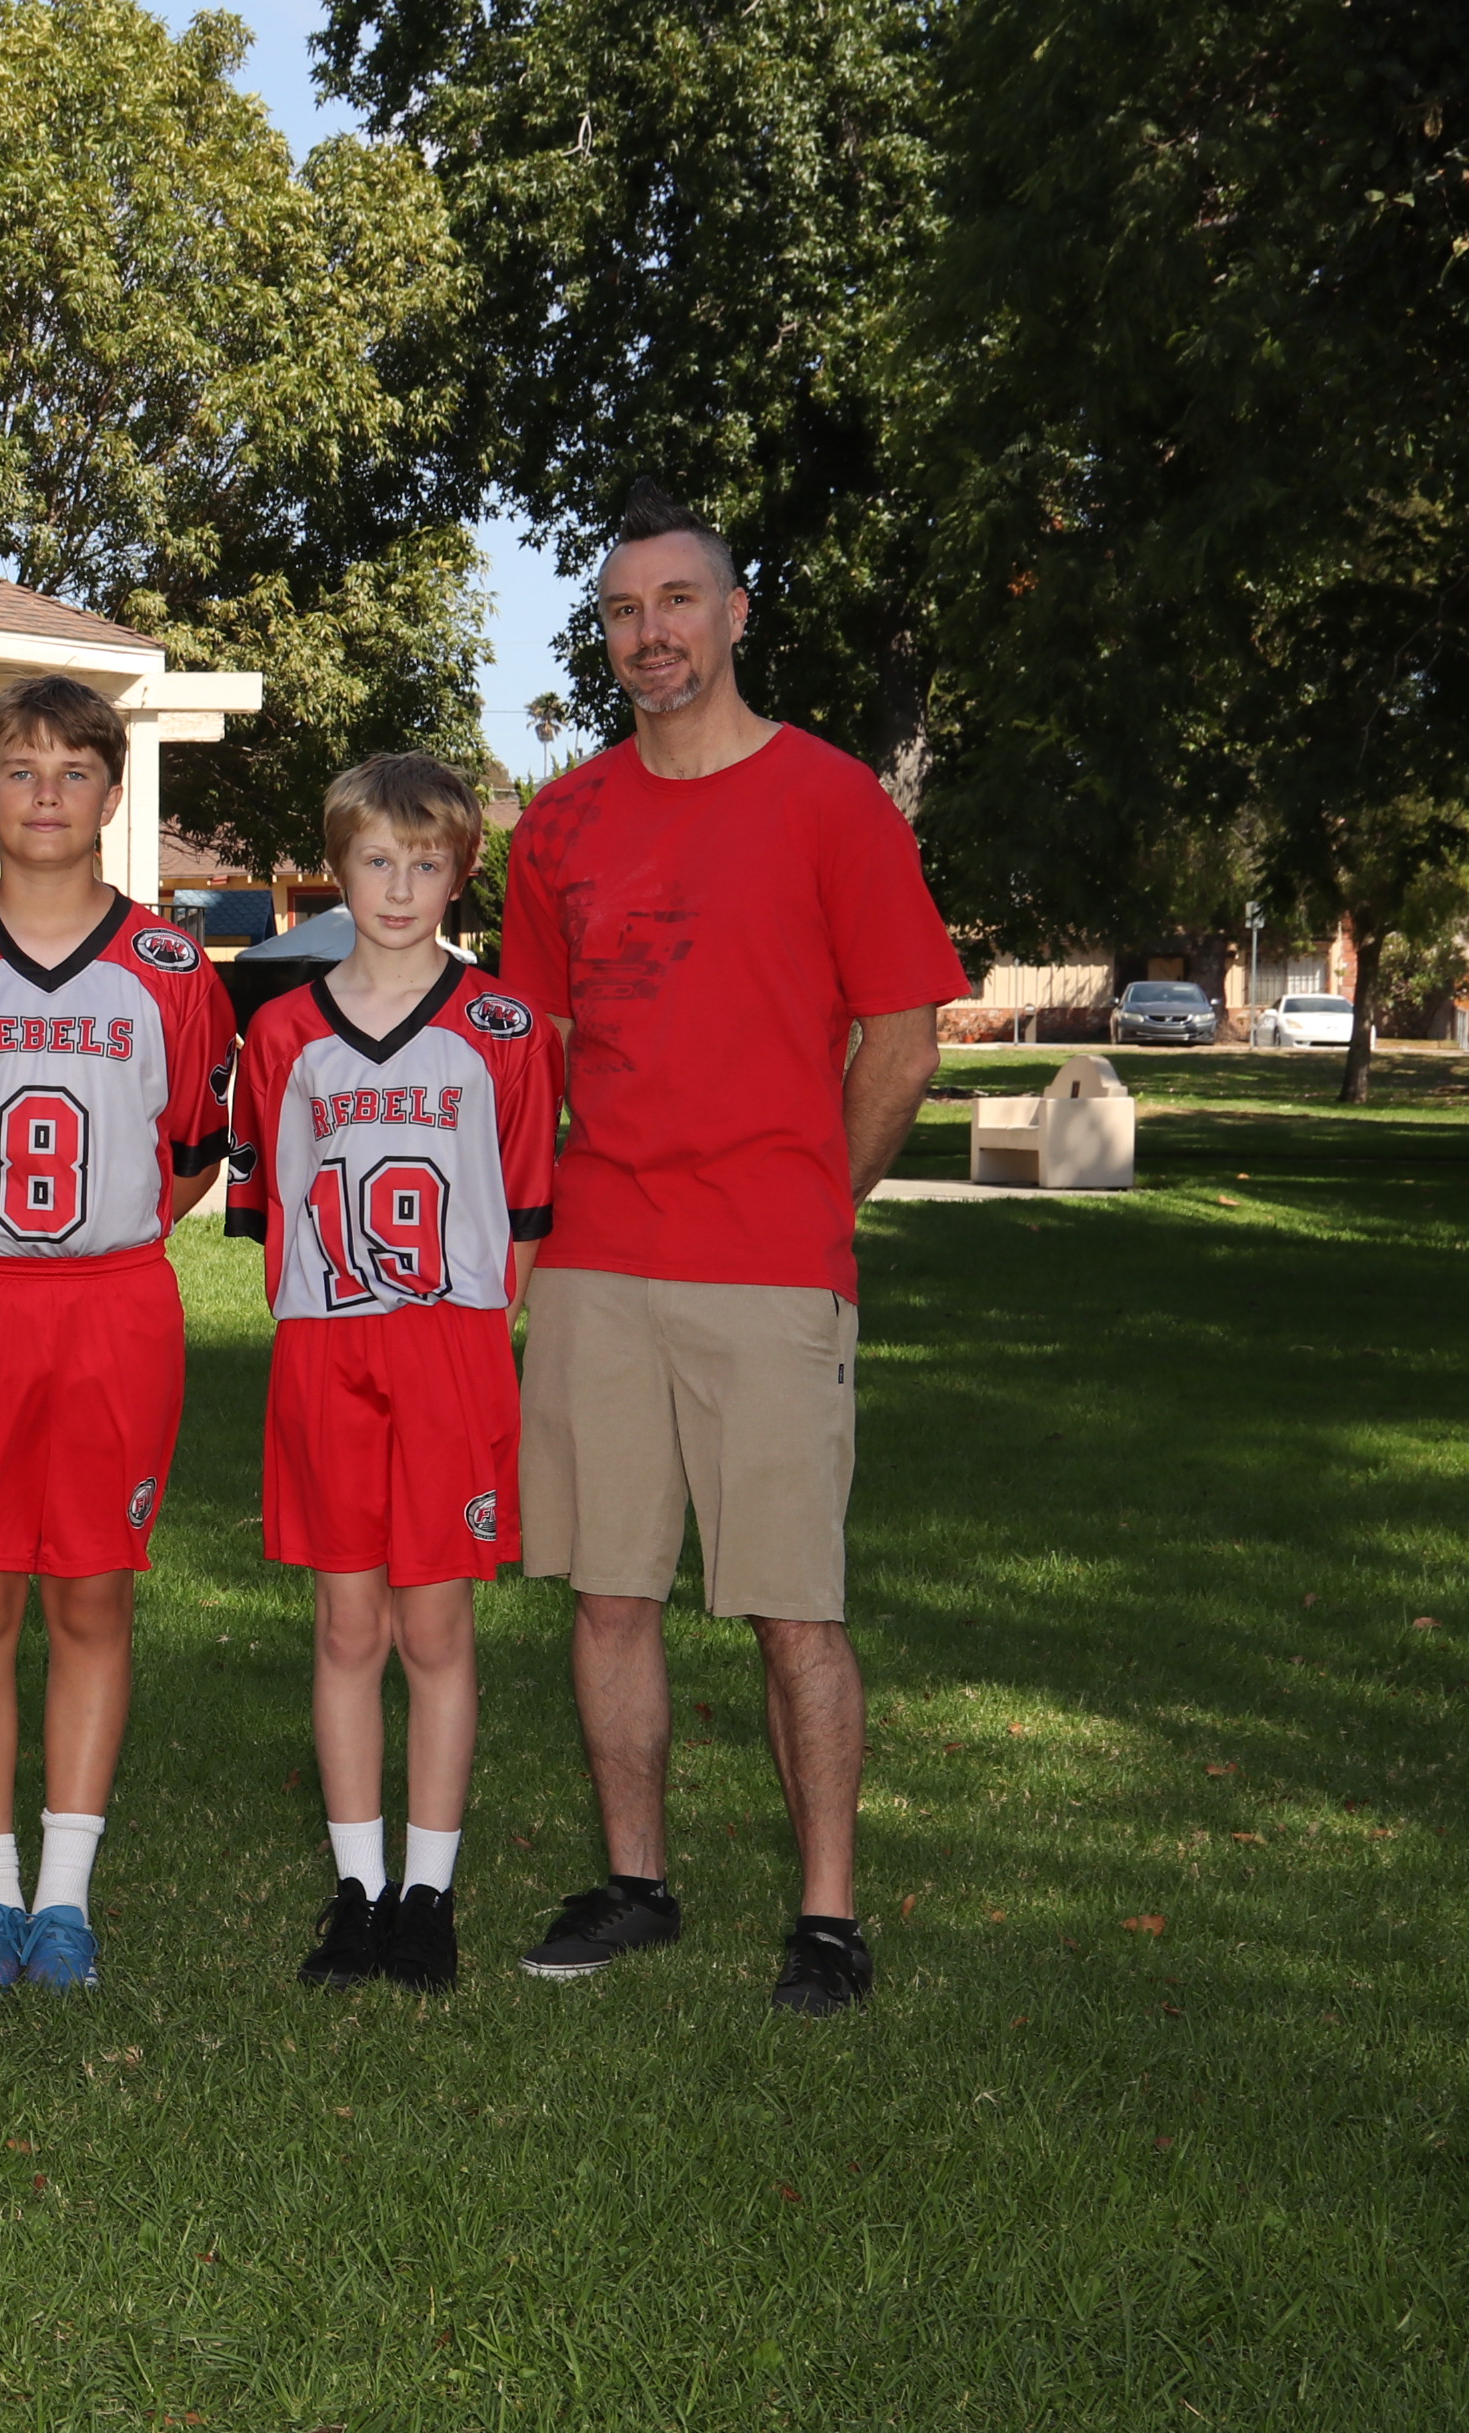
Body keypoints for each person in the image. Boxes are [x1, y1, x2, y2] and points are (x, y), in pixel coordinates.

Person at [495, 485, 966, 2015]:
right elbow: (535, 1046)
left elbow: (902, 1041)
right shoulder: (560, 823)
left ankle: (827, 1917)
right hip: (597, 1257)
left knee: (794, 1608)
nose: (651, 634)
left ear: (737, 614)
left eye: (678, 602)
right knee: (608, 1592)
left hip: (770, 1263)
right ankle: (637, 1885)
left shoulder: (831, 800)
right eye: (624, 611)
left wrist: (823, 1204)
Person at [0, 677, 234, 2000]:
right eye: (20, 771)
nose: (47, 796)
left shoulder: (172, 969)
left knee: (92, 1589)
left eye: (75, 772)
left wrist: (96, 1244)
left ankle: (65, 1896)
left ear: (112, 796)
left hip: (111, 1304)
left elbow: (189, 1153)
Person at [225, 755, 560, 1994]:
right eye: (378, 860)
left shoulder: (502, 1028)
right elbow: (270, 1215)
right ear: (339, 866)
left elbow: (523, 1224)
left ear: (461, 872)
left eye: (427, 863)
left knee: (435, 1622)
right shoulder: (282, 1032)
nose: (402, 887)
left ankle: (430, 1891)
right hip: (328, 1343)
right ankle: (358, 1886)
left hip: (450, 1345)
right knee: (346, 1621)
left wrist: (473, 1345)